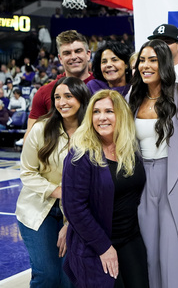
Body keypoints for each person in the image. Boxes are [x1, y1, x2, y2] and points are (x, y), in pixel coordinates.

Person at [129, 39, 178, 288]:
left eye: (153, 60)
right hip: (141, 183)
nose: (146, 65)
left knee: (176, 260)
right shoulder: (131, 97)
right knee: (149, 257)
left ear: (166, 64)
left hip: (177, 181)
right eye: (142, 60)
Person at [62, 90, 149, 288]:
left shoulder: (130, 150)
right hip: (96, 243)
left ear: (121, 116)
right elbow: (74, 208)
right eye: (96, 112)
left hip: (130, 239)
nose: (101, 117)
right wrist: (103, 247)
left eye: (109, 111)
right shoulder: (80, 155)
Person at [15, 77, 90, 287]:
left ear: (81, 98)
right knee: (47, 276)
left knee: (69, 277)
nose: (62, 102)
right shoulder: (41, 129)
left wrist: (70, 222)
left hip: (76, 213)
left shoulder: (92, 133)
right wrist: (57, 191)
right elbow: (27, 172)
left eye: (68, 96)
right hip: (38, 210)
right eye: (57, 97)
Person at [23, 30, 94, 145]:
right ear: (60, 59)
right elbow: (30, 138)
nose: (73, 57)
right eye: (67, 53)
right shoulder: (44, 92)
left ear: (88, 54)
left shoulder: (104, 87)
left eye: (78, 51)